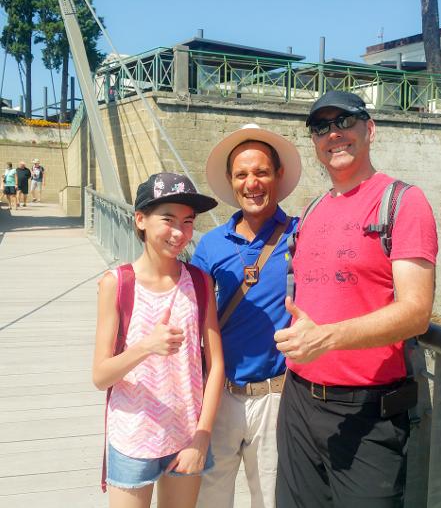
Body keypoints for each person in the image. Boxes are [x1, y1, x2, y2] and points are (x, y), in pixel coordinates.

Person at [274, 91, 438, 508]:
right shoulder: (311, 212)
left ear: (370, 129)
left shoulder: (402, 202)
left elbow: (417, 312)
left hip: (367, 412)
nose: (334, 134)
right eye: (321, 127)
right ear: (314, 143)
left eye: (345, 121)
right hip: (298, 401)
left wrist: (326, 339)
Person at [93, 172, 225, 508]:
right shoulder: (117, 283)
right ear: (140, 219)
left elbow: (217, 365)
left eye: (188, 221)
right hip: (132, 437)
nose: (180, 232)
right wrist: (146, 347)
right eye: (168, 220)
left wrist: (202, 436)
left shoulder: (199, 282)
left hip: (186, 435)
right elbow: (100, 376)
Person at [191, 124, 302, 508]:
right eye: (242, 175)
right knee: (209, 498)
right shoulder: (210, 245)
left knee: (271, 499)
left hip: (276, 396)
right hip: (218, 395)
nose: (251, 183)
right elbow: (191, 315)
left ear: (278, 176)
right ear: (230, 181)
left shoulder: (300, 236)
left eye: (261, 172)